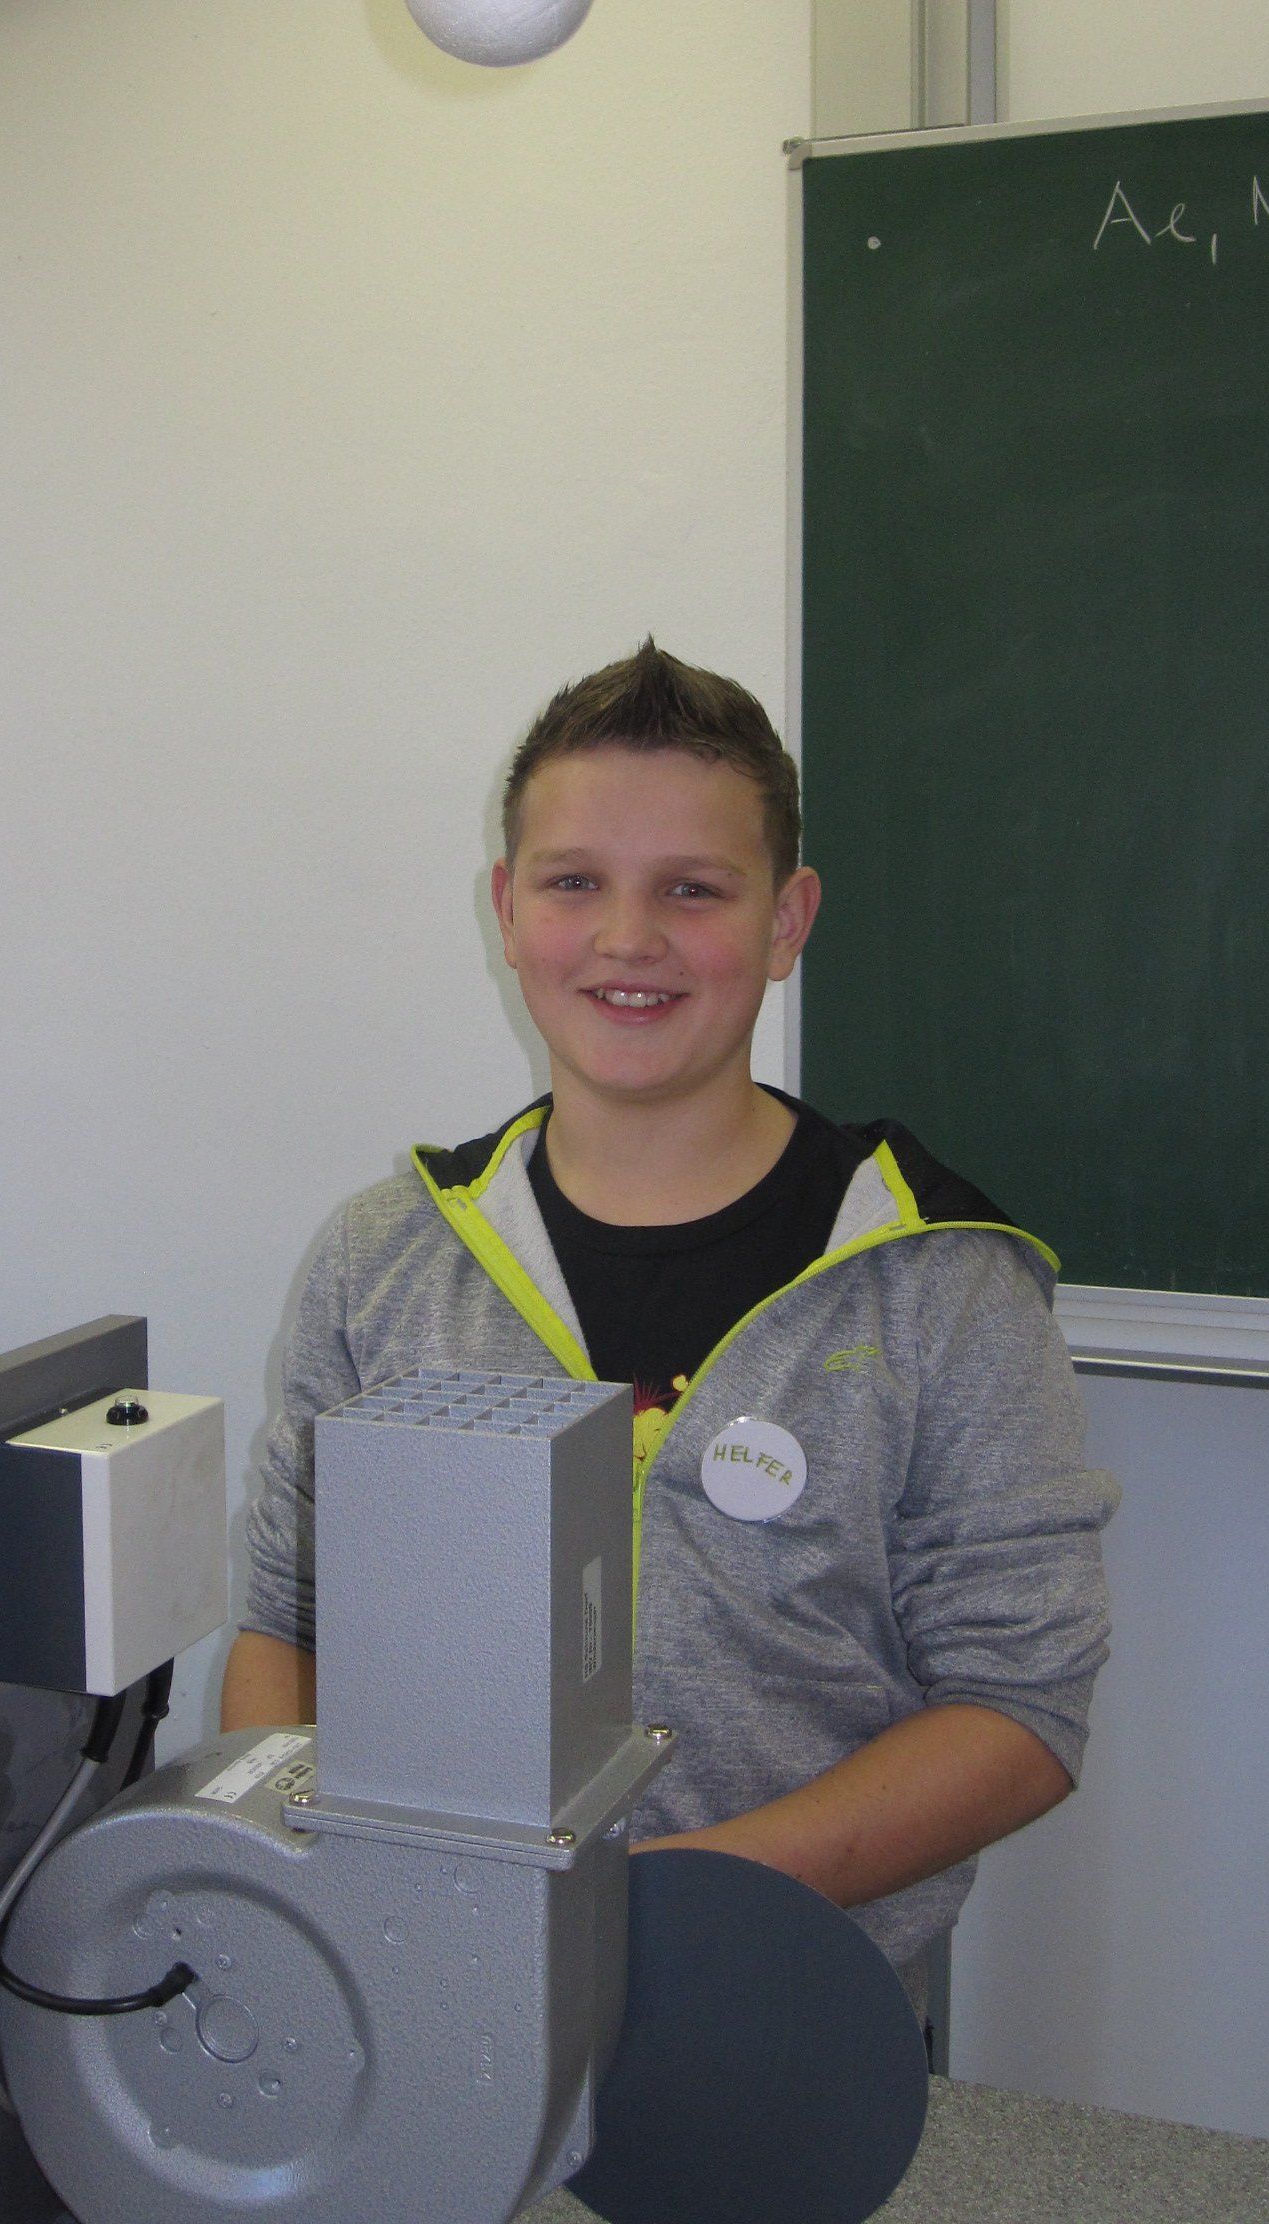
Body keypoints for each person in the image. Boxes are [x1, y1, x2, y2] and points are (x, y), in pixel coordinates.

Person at [222, 639, 1116, 2005]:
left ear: (787, 921)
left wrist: (660, 1905)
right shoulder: (384, 1258)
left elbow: (1020, 1706)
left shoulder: (935, 1281)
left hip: (787, 1991)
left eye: (693, 889)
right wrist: (319, 1885)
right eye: (574, 883)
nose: (628, 939)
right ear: (507, 907)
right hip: (430, 1983)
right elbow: (289, 1624)